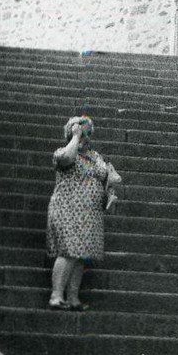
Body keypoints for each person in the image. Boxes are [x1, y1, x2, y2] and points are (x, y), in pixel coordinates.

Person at [46, 115, 121, 311]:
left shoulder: (95, 156)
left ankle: (73, 298)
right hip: (67, 209)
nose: (85, 136)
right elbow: (66, 159)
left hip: (90, 214)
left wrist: (111, 182)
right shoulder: (63, 151)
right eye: (81, 132)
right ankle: (56, 296)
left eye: (87, 133)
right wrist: (75, 137)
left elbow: (108, 177)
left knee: (81, 256)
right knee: (68, 250)